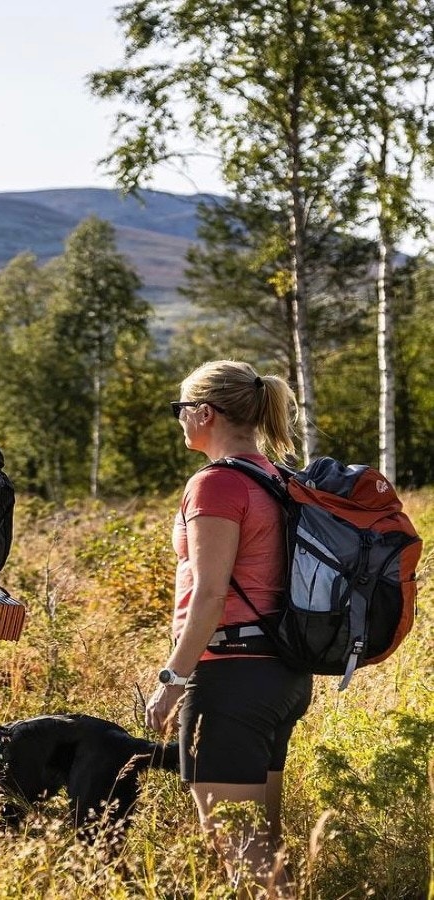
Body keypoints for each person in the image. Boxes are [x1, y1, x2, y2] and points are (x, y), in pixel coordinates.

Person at [145, 360, 312, 897]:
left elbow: (210, 594)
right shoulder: (275, 477)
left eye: (180, 408)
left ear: (205, 413)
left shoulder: (216, 484)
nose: (179, 419)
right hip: (281, 673)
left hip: (231, 677)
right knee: (265, 843)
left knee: (240, 846)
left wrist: (172, 681)